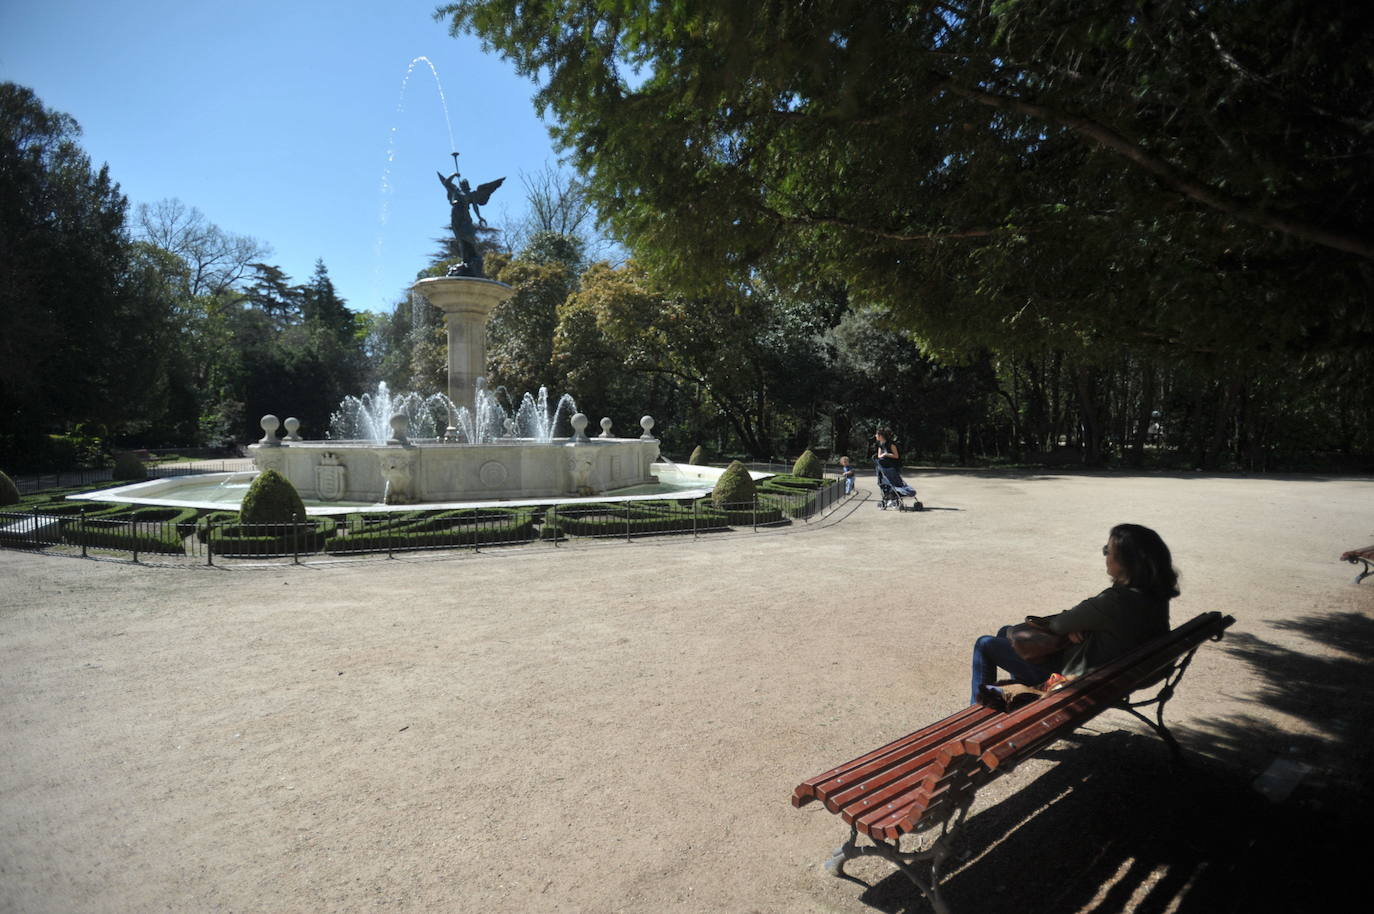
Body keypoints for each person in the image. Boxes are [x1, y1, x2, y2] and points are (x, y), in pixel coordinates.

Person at [969, 523, 1178, 705]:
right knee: (1006, 632)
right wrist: (1082, 628)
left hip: (1078, 681)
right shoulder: (1155, 595)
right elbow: (1099, 623)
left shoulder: (1115, 600)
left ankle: (975, 713)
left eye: (1108, 551)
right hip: (1119, 675)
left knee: (985, 644)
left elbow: (1059, 624)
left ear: (1126, 562)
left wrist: (1073, 629)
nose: (1106, 556)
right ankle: (1020, 700)